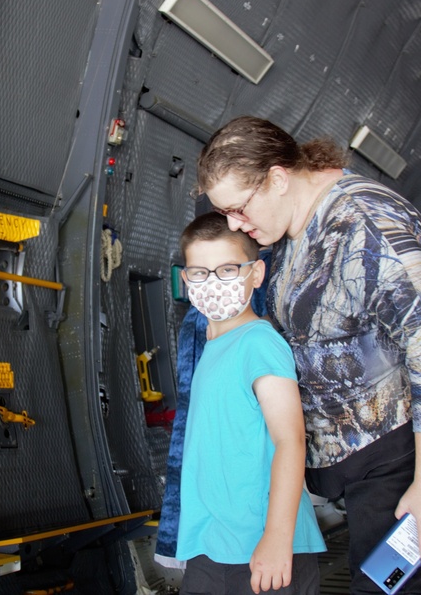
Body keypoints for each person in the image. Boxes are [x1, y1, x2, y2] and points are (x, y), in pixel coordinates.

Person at [196, 117, 421, 595]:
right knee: (383, 585)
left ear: (278, 178)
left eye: (238, 209)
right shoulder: (299, 231)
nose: (236, 224)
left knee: (396, 589)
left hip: (416, 445)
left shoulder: (366, 219)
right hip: (381, 455)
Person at [172, 212, 325, 595]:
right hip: (211, 547)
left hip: (262, 547)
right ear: (185, 279)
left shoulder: (258, 342)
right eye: (199, 273)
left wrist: (276, 537)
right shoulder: (210, 347)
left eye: (226, 269)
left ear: (255, 274)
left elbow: (290, 439)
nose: (212, 283)